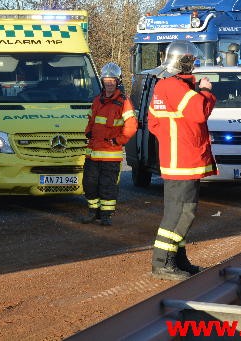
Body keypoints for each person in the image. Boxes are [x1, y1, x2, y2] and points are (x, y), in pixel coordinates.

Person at [148, 41, 217, 280]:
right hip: (182, 160)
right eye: (192, 61)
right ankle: (163, 262)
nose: (195, 66)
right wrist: (206, 90)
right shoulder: (173, 86)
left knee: (183, 211)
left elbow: (156, 124)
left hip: (181, 158)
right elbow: (199, 112)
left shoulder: (170, 86)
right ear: (183, 62)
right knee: (180, 212)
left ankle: (177, 258)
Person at [81, 62, 137, 226]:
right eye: (106, 80)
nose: (109, 83)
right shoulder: (97, 100)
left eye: (112, 80)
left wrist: (118, 140)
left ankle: (106, 215)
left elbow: (131, 126)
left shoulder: (123, 102)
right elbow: (91, 119)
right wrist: (88, 132)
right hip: (92, 153)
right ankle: (93, 212)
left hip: (111, 155)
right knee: (89, 184)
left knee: (108, 186)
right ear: (102, 81)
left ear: (117, 81)